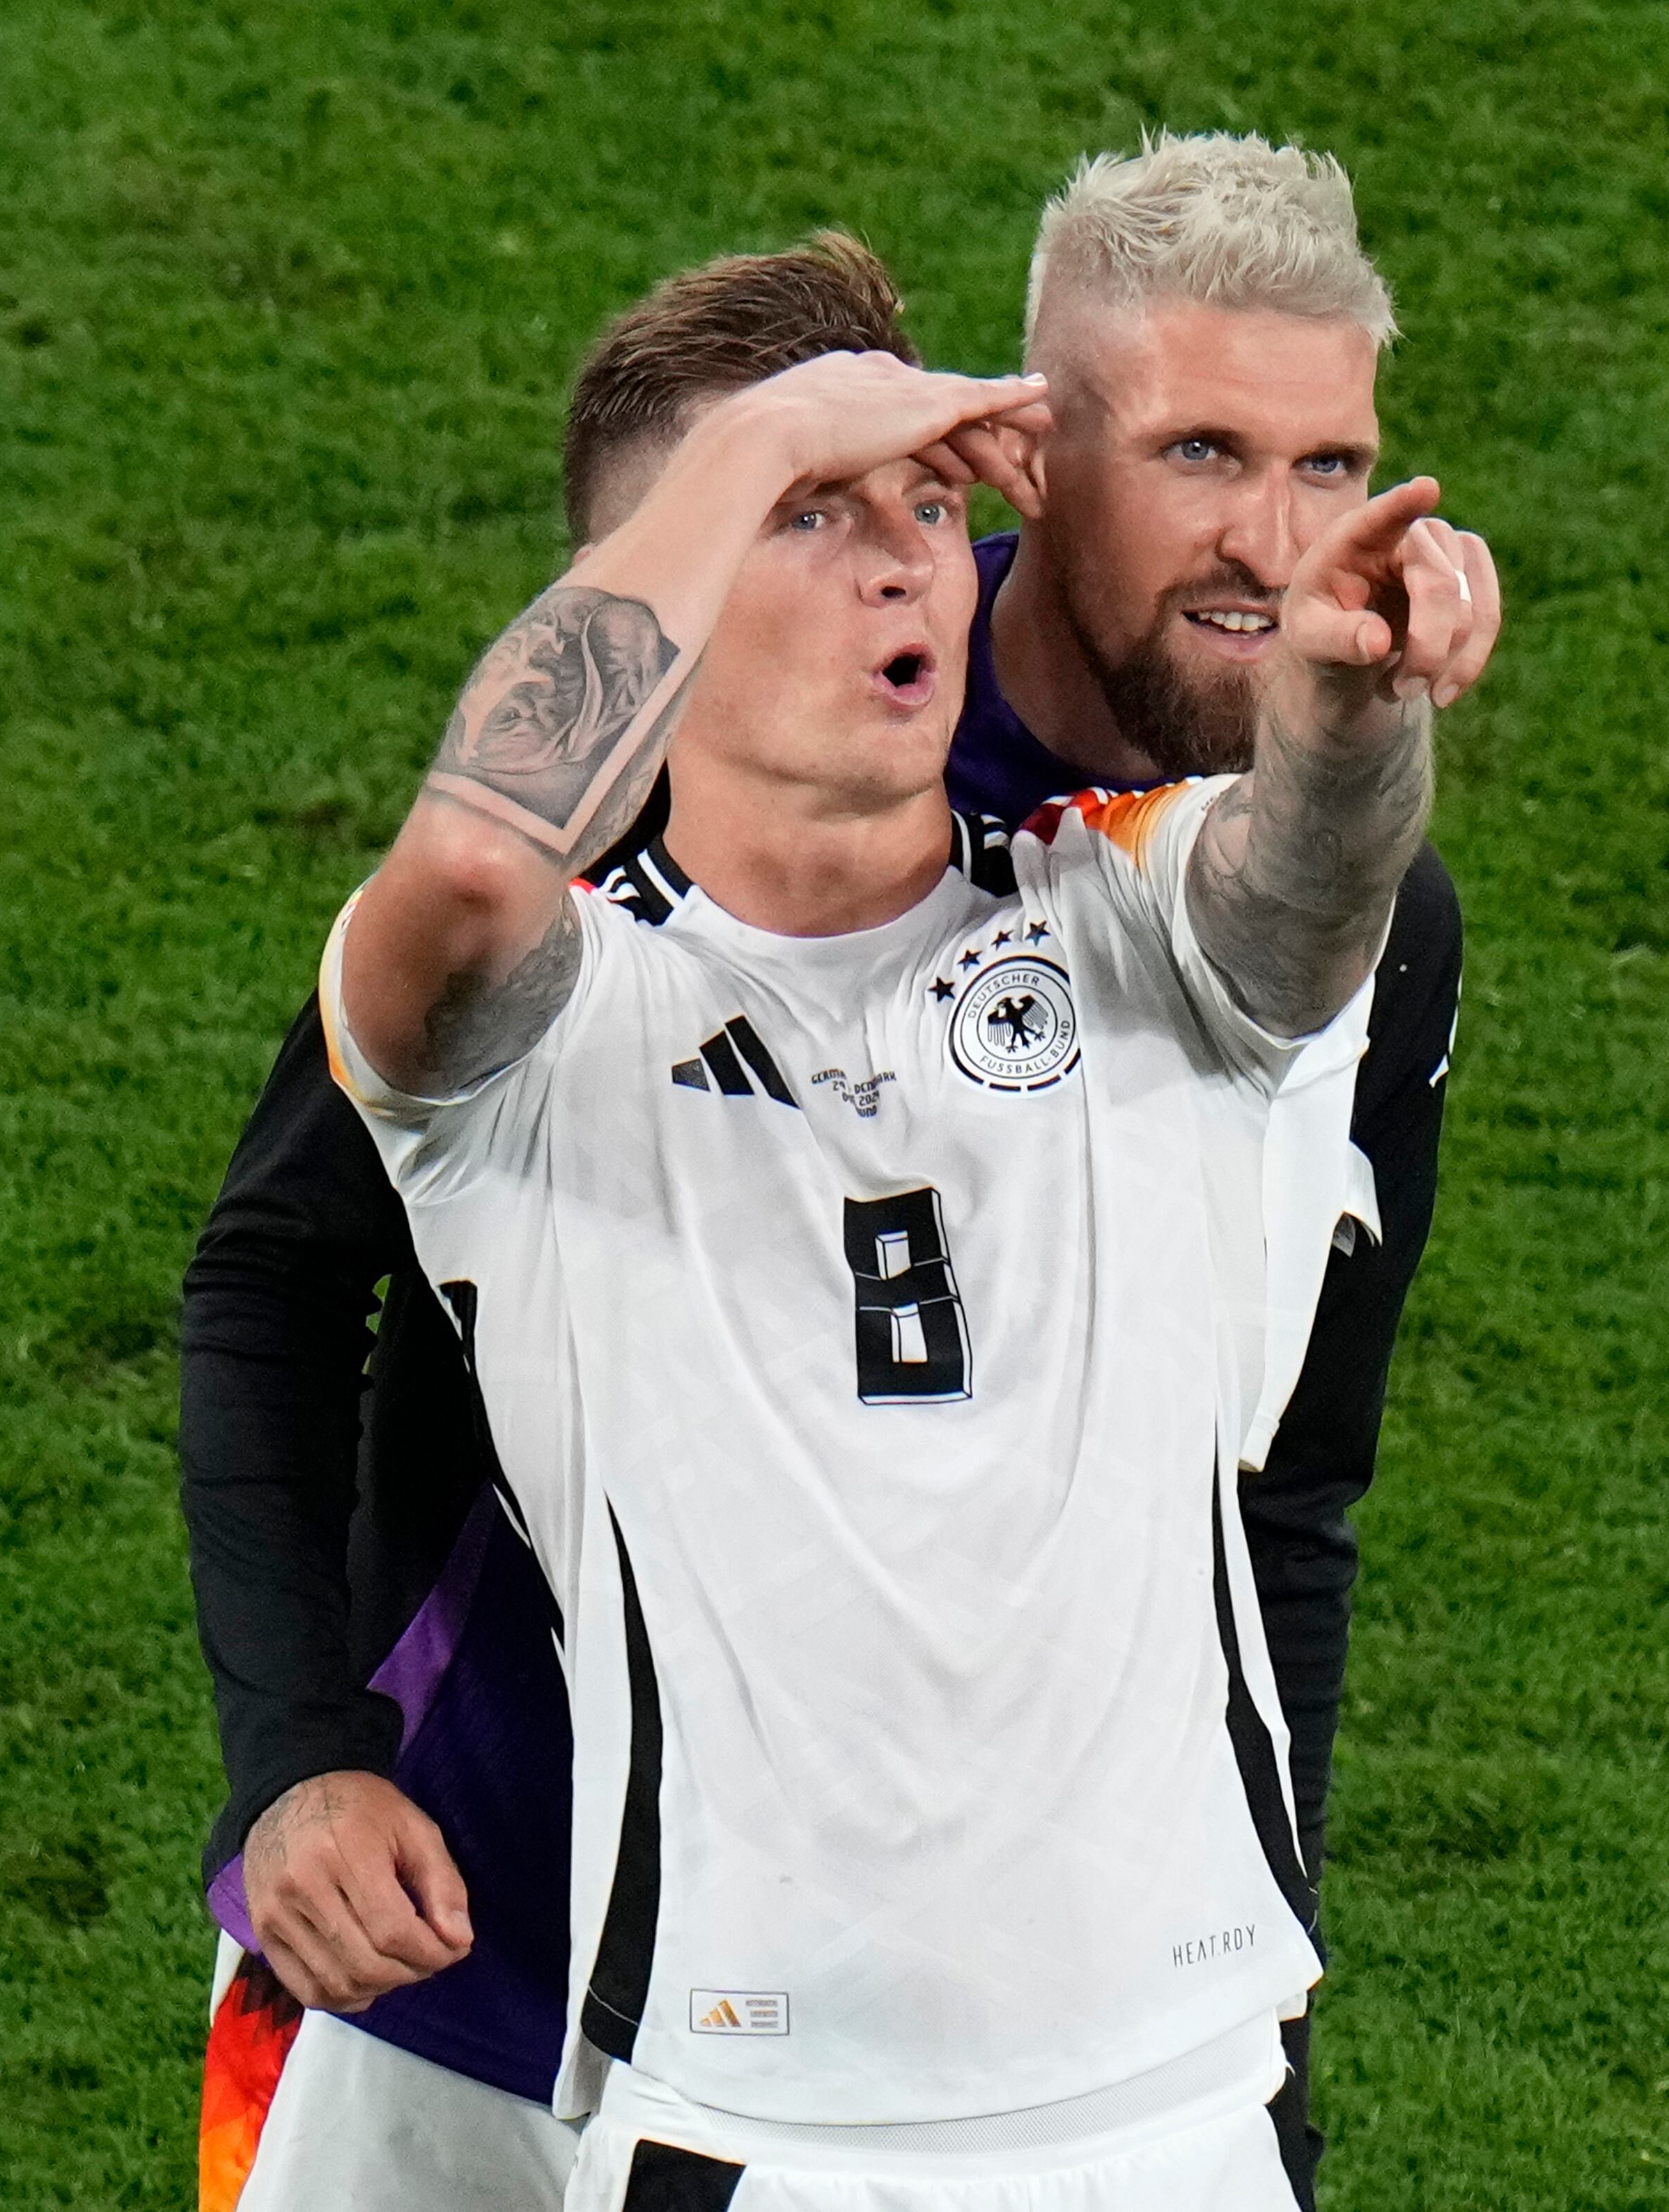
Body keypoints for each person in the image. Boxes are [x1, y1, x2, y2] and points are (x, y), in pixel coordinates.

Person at [185, 141, 1487, 2210]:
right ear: (1046, 452)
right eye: (1208, 451)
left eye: (1334, 465)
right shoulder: (590, 862)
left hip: (1083, 2033)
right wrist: (303, 1753)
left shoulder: (1189, 893)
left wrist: (1256, 2004)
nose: (1273, 537)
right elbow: (279, 1271)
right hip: (509, 1903)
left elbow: (1287, 1492)